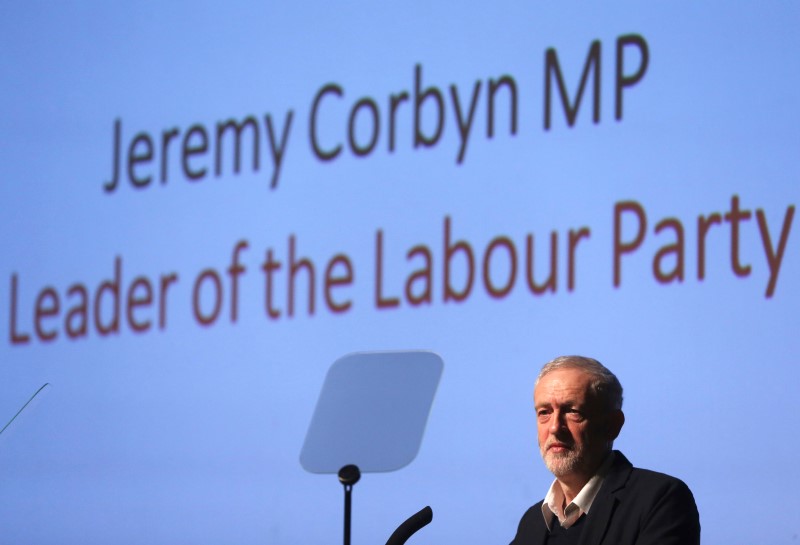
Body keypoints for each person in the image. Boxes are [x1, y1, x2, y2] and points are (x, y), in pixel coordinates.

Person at [510, 355, 700, 544]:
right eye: (544, 412)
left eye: (572, 411)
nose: (554, 427)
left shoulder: (660, 500)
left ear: (612, 425)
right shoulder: (532, 522)